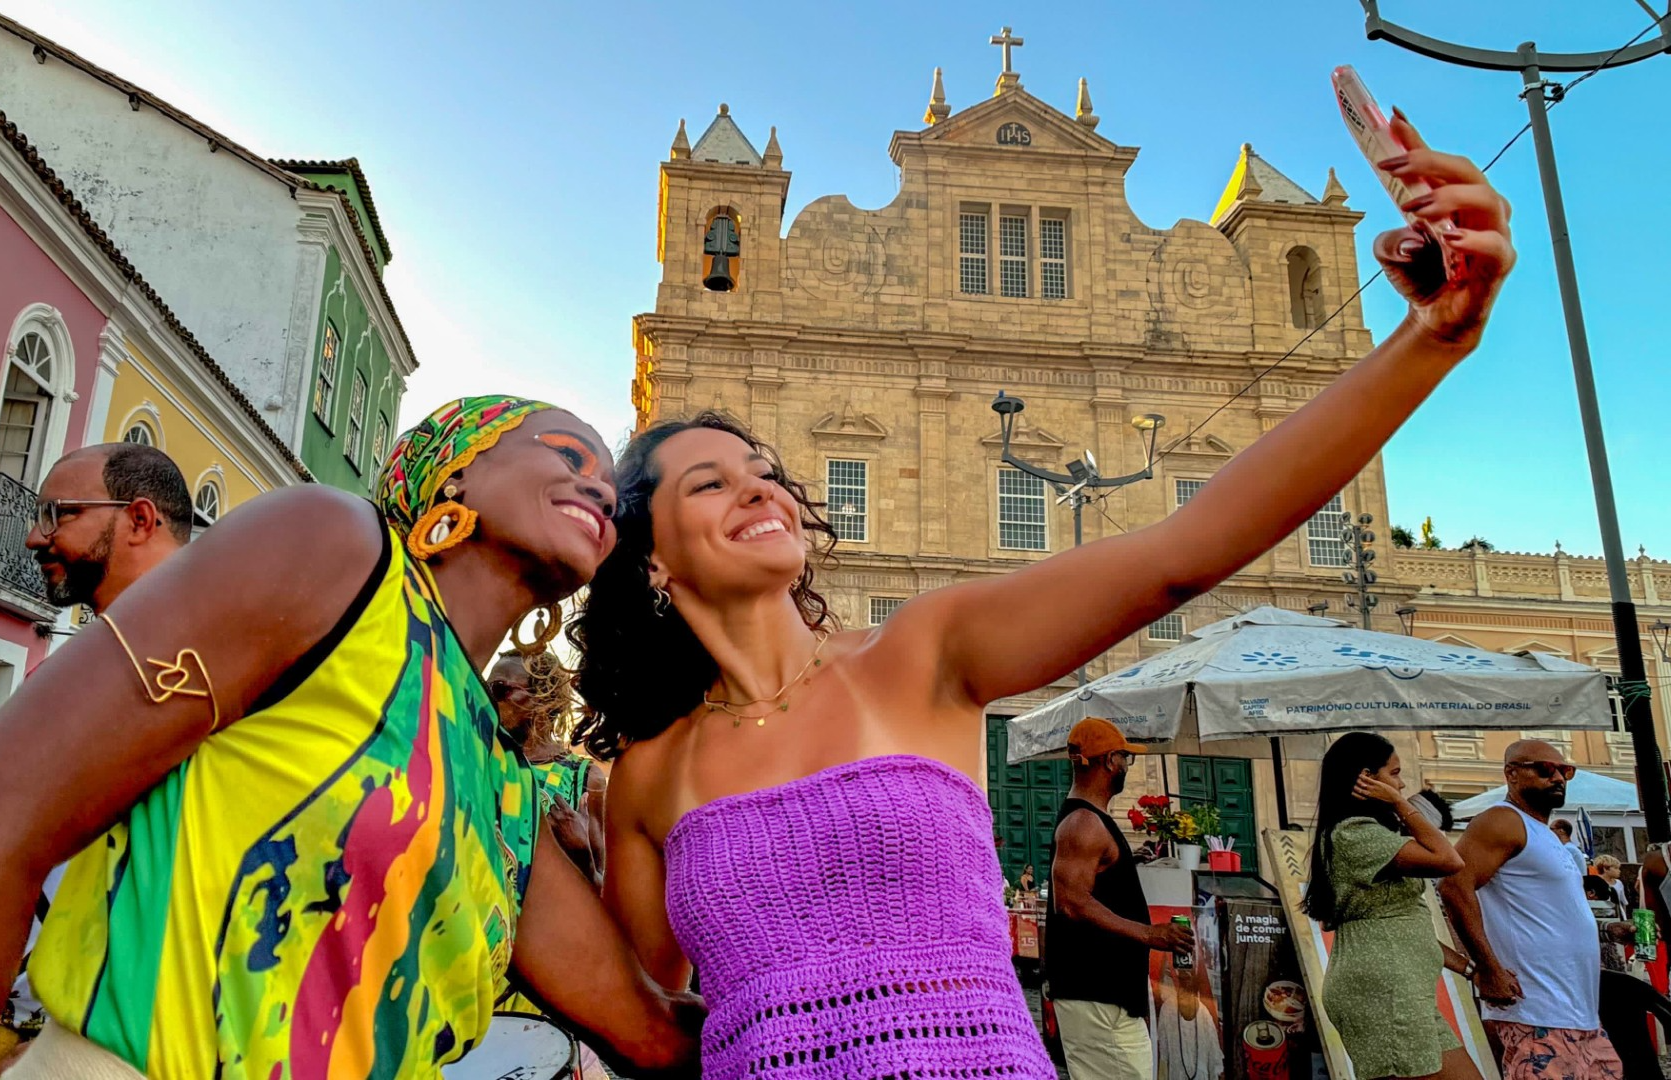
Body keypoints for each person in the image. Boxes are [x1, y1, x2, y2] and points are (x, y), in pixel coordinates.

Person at [571, 120, 1513, 1078]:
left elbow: (1184, 551)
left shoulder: (921, 652)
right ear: (652, 559)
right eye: (710, 484)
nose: (762, 488)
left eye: (765, 470)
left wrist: (1429, 340)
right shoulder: (652, 774)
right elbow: (645, 1022)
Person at [0, 397, 698, 1079]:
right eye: (565, 454)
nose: (596, 487)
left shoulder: (498, 785)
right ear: (456, 471)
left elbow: (653, 1033)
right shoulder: (334, 549)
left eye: (608, 488)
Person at [0, 443, 199, 1079]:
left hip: (136, 1037)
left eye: (57, 514)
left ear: (140, 520)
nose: (34, 537)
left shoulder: (181, 654)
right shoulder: (127, 651)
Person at [1440, 740, 1619, 1080]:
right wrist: (1489, 968)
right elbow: (1453, 886)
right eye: (1544, 769)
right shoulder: (1502, 821)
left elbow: (1554, 915)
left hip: (1580, 1013)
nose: (1558, 779)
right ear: (1512, 774)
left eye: (1565, 771)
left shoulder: (1547, 835)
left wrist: (1609, 930)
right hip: (1535, 1010)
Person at [1302, 733, 1474, 1080]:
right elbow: (1449, 859)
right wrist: (1400, 804)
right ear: (1367, 779)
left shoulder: (1368, 833)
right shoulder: (1354, 832)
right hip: (1385, 992)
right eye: (1394, 774)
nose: (1402, 783)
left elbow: (1402, 926)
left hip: (1400, 989)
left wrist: (1470, 970)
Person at [1046, 719, 1193, 1080]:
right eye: (1126, 758)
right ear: (1110, 761)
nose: (1127, 767)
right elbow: (1070, 902)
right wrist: (1149, 934)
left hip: (1106, 997)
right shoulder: (1083, 823)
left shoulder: (1091, 822)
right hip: (1097, 995)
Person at [26, 441, 195, 611]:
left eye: (61, 513)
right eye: (38, 517)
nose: (33, 540)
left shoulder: (207, 631)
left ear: (140, 521)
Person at [489, 649, 608, 886]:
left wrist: (581, 854)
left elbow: (603, 888)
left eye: (500, 689)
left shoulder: (581, 778)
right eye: (484, 688)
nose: (489, 698)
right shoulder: (481, 759)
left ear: (544, 698)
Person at [1155, 957, 1223, 1080]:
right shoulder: (1168, 1010)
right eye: (1182, 980)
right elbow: (1163, 1057)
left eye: (1188, 979)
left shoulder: (1204, 1015)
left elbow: (1214, 1062)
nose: (1183, 988)